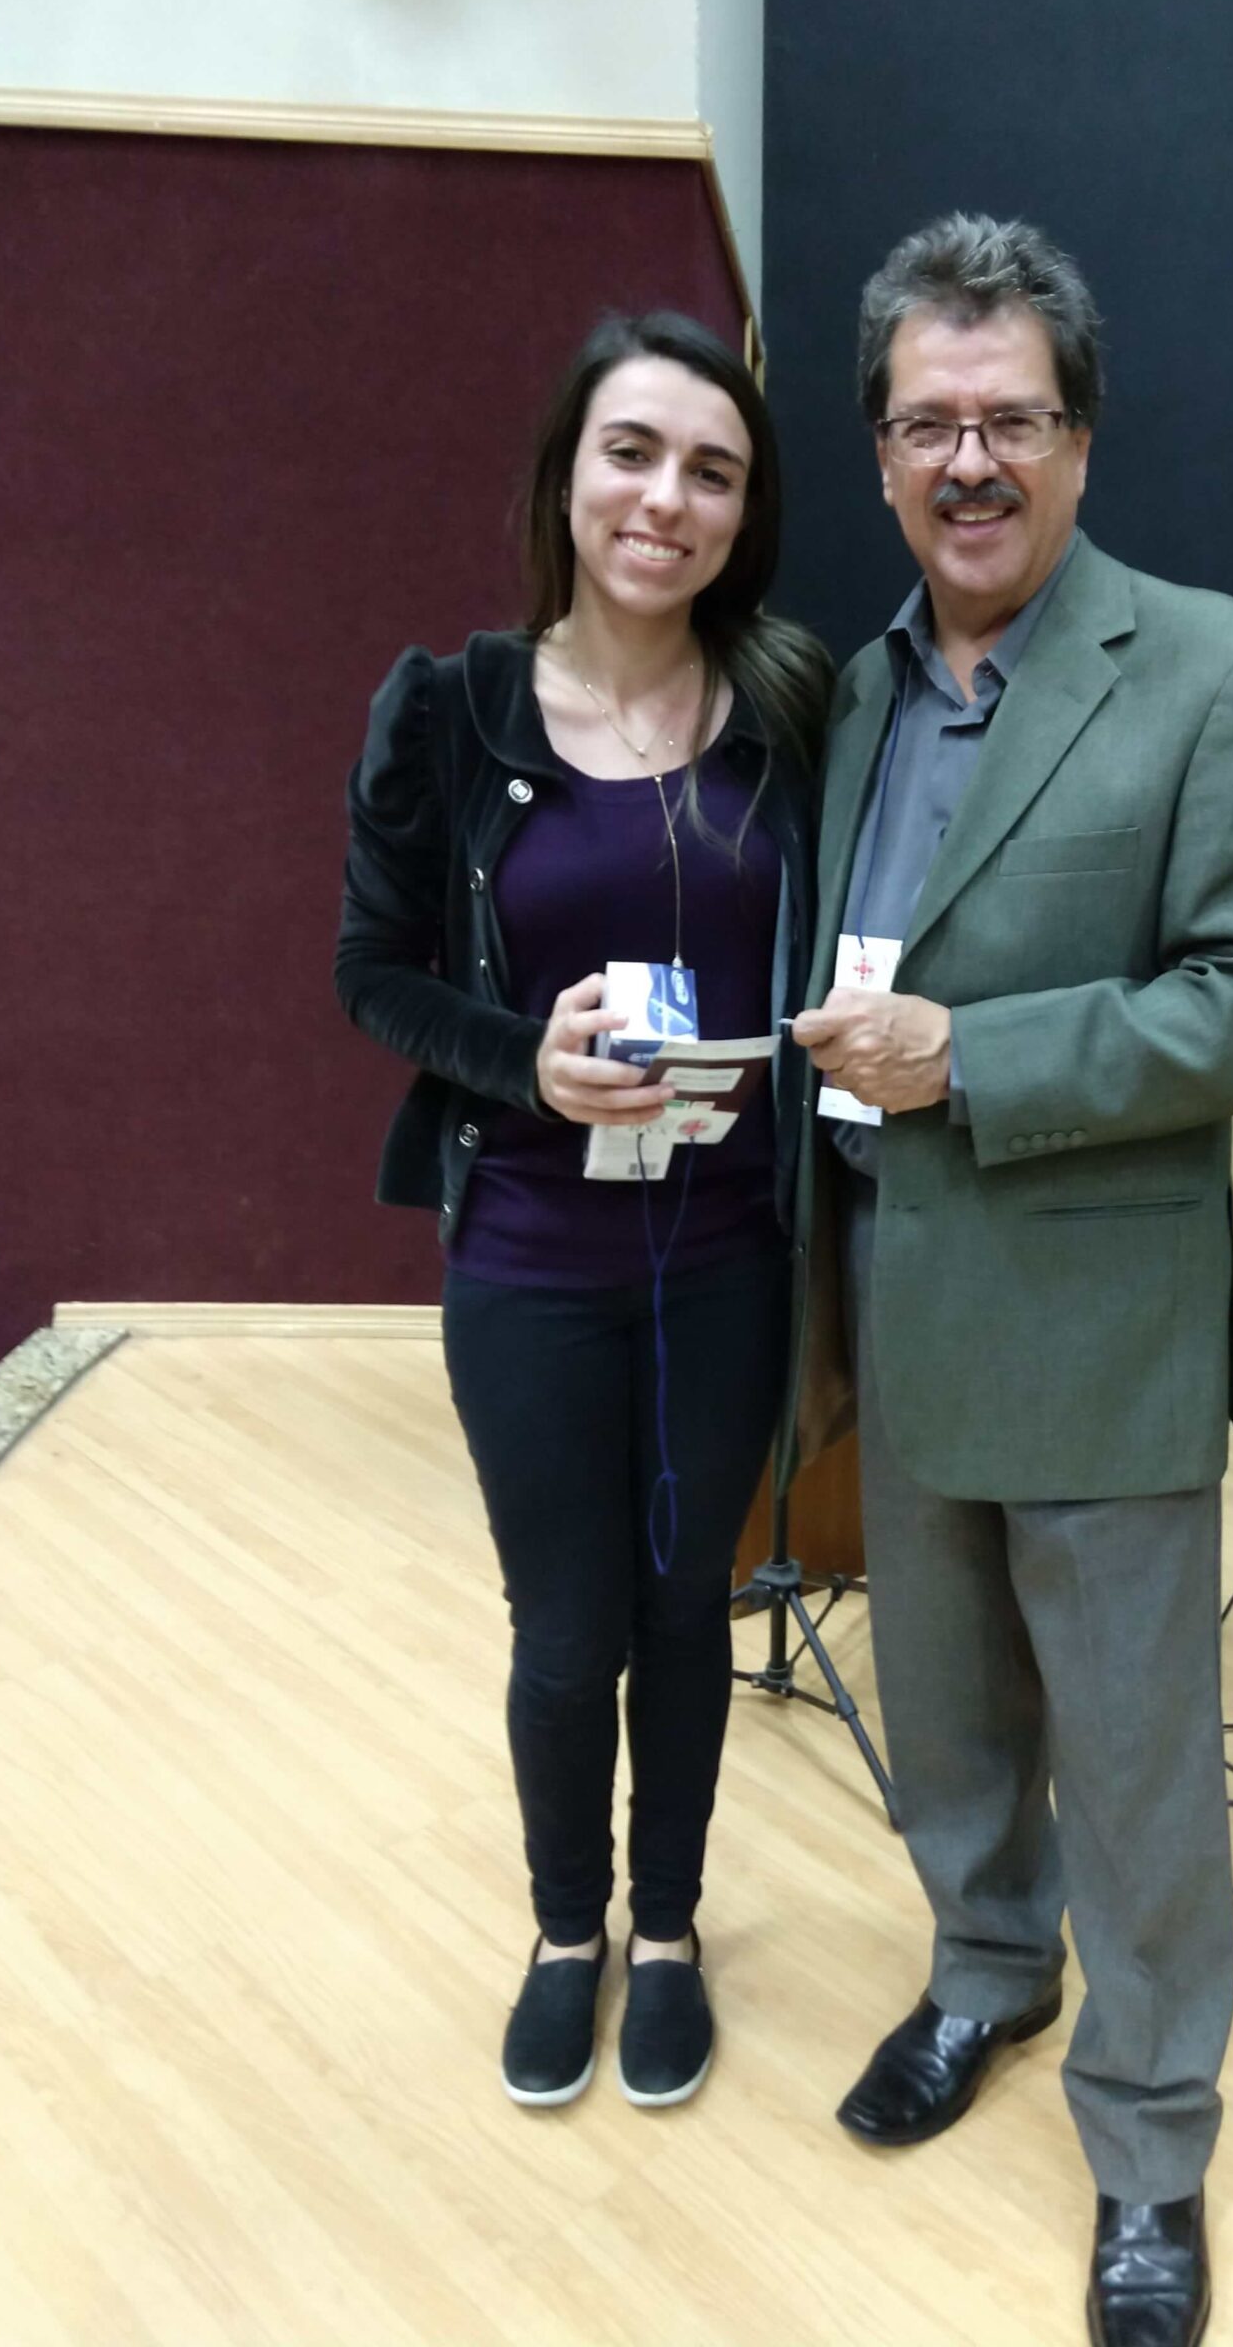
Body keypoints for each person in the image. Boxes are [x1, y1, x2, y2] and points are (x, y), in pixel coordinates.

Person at [790, 216, 1233, 2347]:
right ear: (880, 453)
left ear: (1081, 439)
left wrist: (975, 1056)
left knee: (1132, 1760)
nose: (972, 460)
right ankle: (987, 1971)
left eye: (1011, 418)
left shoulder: (1218, 665)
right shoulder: (851, 691)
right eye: (930, 422)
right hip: (895, 1286)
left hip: (1098, 1320)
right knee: (944, 1720)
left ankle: (1152, 2139)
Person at [336, 310, 831, 2114]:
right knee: (567, 1627)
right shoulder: (449, 708)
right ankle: (568, 1934)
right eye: (633, 453)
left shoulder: (793, 707)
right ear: (567, 474)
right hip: (531, 1256)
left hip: (730, 1255)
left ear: (744, 513)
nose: (665, 500)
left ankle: (672, 1930)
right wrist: (522, 1063)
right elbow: (372, 970)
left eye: (713, 471)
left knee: (686, 1605)